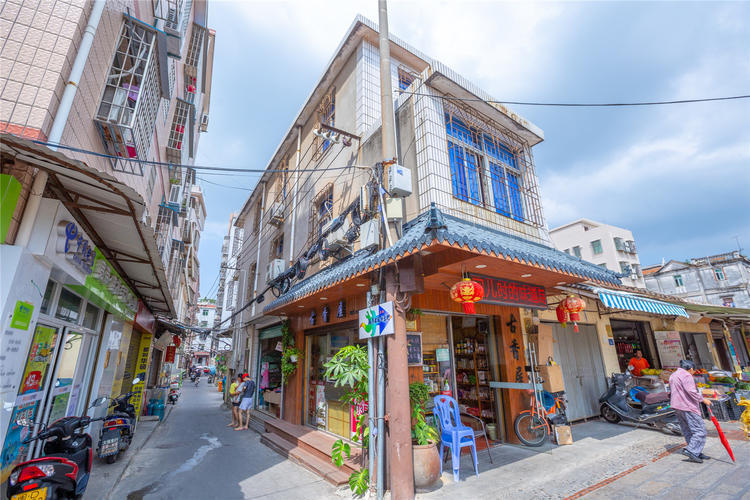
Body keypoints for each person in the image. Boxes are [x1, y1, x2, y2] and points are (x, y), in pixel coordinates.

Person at [669, 359, 713, 463]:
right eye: (694, 371)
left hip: (677, 406)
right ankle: (691, 450)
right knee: (700, 430)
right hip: (687, 406)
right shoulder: (687, 375)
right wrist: (703, 400)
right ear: (691, 369)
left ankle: (696, 452)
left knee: (688, 430)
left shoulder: (673, 375)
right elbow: (691, 391)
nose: (693, 373)